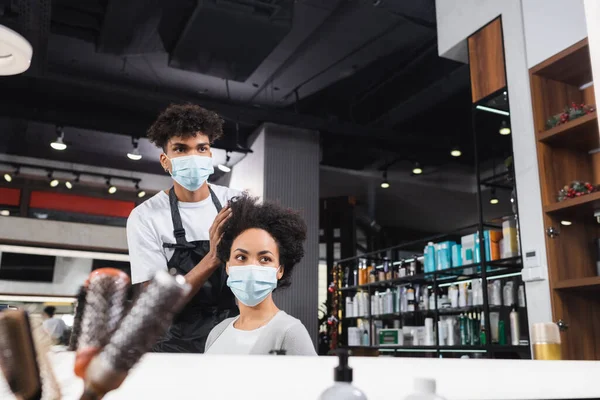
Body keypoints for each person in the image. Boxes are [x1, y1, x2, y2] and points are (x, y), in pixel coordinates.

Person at [126, 104, 241, 353]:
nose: (194, 157)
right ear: (165, 161)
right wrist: (213, 258)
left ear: (210, 155)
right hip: (175, 346)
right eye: (181, 149)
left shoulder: (237, 203)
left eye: (202, 148)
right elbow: (157, 304)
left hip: (233, 338)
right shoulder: (145, 217)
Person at [204, 194, 316, 356]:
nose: (252, 267)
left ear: (280, 270)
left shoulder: (290, 333)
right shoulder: (218, 332)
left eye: (265, 259)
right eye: (241, 257)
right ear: (227, 265)